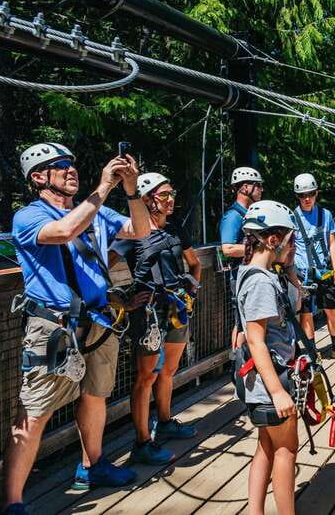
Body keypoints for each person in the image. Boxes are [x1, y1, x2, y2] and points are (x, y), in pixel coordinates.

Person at [2, 143, 150, 513]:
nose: (71, 170)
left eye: (72, 164)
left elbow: (141, 229)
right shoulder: (28, 216)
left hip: (97, 320)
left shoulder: (96, 214)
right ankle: (12, 503)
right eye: (60, 166)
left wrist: (130, 189)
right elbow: (64, 231)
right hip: (54, 326)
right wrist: (102, 188)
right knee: (35, 412)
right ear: (38, 177)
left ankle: (92, 465)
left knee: (96, 394)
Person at [109, 172, 202, 465]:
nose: (171, 199)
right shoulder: (133, 233)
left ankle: (164, 421)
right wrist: (120, 298)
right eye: (164, 195)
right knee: (145, 377)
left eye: (171, 193)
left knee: (169, 370)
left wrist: (192, 293)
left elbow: (195, 262)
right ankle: (141, 441)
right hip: (149, 310)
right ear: (147, 199)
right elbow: (102, 265)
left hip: (176, 307)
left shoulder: (175, 227)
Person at [233, 200, 299, 515]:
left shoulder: (253, 271)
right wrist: (277, 392)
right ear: (273, 240)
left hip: (264, 379)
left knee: (266, 447)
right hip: (271, 382)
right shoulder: (260, 281)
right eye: (290, 239)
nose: (293, 246)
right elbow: (257, 341)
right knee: (286, 450)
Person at [292, 173, 335, 360]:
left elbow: (332, 241)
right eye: (302, 195)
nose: (307, 198)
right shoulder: (292, 217)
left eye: (310, 194)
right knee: (306, 312)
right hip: (303, 274)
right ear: (297, 196)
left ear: (316, 193)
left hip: (325, 271)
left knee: (332, 308)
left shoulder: (326, 215)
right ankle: (312, 351)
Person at [220, 167, 264, 349]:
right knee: (241, 323)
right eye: (258, 186)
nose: (261, 190)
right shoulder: (233, 216)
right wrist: (259, 248)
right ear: (245, 188)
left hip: (250, 275)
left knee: (250, 320)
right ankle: (238, 364)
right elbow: (228, 248)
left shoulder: (248, 213)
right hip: (240, 277)